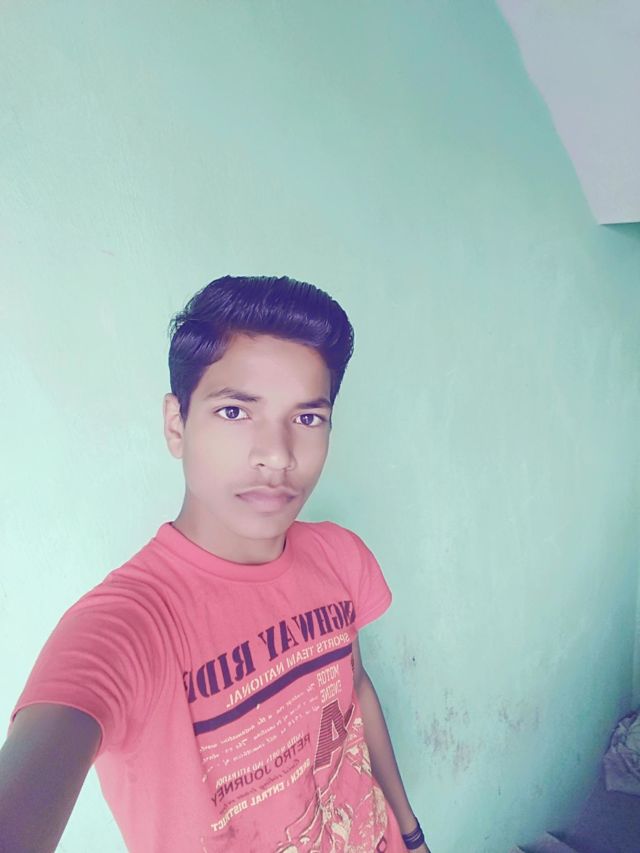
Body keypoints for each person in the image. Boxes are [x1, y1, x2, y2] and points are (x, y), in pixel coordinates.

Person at [0, 275, 431, 852]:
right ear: (176, 424)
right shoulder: (129, 625)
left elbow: (354, 689)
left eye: (308, 418)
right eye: (234, 411)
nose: (277, 455)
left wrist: (411, 833)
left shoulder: (339, 554)